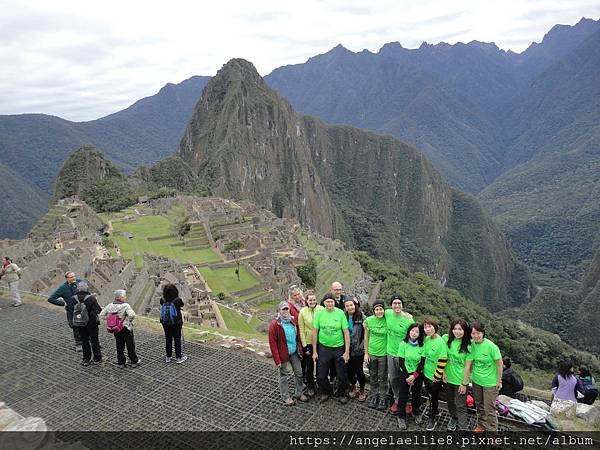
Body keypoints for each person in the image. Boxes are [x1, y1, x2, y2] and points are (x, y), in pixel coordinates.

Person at [460, 322, 502, 432]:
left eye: (478, 333)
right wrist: (464, 382)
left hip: (490, 383)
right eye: (473, 334)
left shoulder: (491, 346)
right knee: (479, 405)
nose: (475, 336)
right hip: (476, 381)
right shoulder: (471, 346)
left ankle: (493, 431)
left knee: (489, 408)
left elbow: (499, 364)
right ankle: (481, 425)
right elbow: (468, 365)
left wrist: (499, 380)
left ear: (483, 333)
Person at [312, 293, 350, 403]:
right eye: (327, 301)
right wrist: (315, 351)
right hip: (324, 348)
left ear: (335, 303)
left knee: (342, 375)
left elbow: (346, 333)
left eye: (332, 301)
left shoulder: (340, 313)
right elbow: (315, 332)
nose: (329, 303)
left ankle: (341, 393)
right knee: (321, 375)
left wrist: (346, 352)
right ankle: (327, 391)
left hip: (339, 347)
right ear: (323, 303)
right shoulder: (319, 314)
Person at [268, 301, 307, 405]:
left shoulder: (293, 321)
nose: (285, 311)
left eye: (287, 309)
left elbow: (297, 336)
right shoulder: (275, 325)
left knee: (299, 373)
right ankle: (286, 397)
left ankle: (299, 393)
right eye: (283, 309)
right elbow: (273, 344)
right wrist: (277, 360)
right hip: (282, 354)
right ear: (279, 311)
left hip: (294, 351)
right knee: (283, 375)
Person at [385, 294, 414, 415]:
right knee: (393, 378)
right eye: (394, 303)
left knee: (405, 379)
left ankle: (407, 401)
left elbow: (414, 335)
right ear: (391, 305)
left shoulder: (408, 320)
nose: (397, 305)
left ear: (402, 305)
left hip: (404, 355)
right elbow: (376, 315)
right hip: (391, 352)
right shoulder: (387, 313)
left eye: (399, 303)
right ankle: (397, 400)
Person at [443, 319, 471, 431]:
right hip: (447, 378)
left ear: (465, 331)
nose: (457, 332)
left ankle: (463, 427)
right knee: (450, 401)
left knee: (461, 405)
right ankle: (453, 417)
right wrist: (443, 372)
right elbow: (442, 357)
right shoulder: (447, 339)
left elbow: (468, 366)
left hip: (460, 380)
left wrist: (464, 383)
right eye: (455, 329)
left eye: (460, 329)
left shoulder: (468, 346)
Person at [99, 289, 139, 368]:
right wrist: (127, 320)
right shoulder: (125, 305)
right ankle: (134, 361)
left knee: (119, 345)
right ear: (121, 297)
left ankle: (121, 362)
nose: (125, 298)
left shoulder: (110, 305)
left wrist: (111, 320)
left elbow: (102, 315)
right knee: (130, 345)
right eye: (124, 296)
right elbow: (132, 315)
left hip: (116, 328)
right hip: (125, 328)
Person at [396, 323, 425, 430]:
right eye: (412, 331)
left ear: (420, 334)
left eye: (417, 332)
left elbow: (422, 362)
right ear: (409, 331)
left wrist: (414, 375)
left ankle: (416, 412)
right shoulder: (403, 344)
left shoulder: (422, 345)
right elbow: (401, 362)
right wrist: (408, 376)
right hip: (405, 374)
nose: (414, 333)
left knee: (417, 395)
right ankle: (401, 416)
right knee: (403, 395)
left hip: (417, 374)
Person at [421, 317, 448, 431]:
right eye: (426, 327)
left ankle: (432, 417)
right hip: (426, 373)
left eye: (430, 326)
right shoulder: (427, 339)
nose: (428, 329)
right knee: (431, 395)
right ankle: (434, 411)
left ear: (435, 327)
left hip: (434, 376)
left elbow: (443, 360)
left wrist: (436, 377)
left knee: (434, 396)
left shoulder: (441, 342)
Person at [47, 271, 83, 351]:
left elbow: (87, 291)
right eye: (71, 277)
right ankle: (78, 343)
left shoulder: (80, 282)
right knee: (75, 326)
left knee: (87, 325)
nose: (74, 278)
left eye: (74, 276)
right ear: (67, 279)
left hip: (83, 308)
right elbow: (51, 299)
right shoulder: (63, 288)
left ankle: (91, 341)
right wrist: (63, 304)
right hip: (72, 310)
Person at [298, 290, 324, 397]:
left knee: (320, 365)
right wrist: (304, 346)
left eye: (314, 299)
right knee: (309, 366)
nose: (312, 301)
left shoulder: (321, 309)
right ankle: (310, 386)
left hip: (321, 341)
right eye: (310, 300)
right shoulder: (302, 312)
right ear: (306, 301)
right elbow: (301, 329)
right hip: (308, 343)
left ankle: (320, 384)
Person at [364, 299, 387, 410]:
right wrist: (366, 354)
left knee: (382, 377)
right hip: (372, 353)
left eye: (381, 309)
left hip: (383, 354)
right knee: (373, 376)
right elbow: (366, 337)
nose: (379, 311)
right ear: (374, 311)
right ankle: (373, 396)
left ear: (384, 310)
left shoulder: (388, 320)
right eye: (377, 309)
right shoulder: (369, 320)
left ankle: (382, 397)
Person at [71, 281, 102, 366]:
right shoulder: (91, 298)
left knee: (84, 341)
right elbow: (98, 310)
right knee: (94, 341)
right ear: (86, 288)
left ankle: (86, 359)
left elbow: (71, 310)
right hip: (92, 324)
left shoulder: (73, 298)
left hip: (80, 323)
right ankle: (97, 359)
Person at [344, 297, 366, 401]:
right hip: (347, 349)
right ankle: (353, 386)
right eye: (347, 306)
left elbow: (366, 333)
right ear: (345, 307)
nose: (350, 307)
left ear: (355, 305)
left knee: (359, 371)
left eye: (351, 305)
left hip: (358, 349)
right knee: (350, 370)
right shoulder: (343, 317)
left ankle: (362, 389)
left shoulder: (361, 317)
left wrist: (362, 346)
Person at [159, 283, 187, 364]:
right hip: (176, 322)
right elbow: (182, 305)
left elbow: (162, 305)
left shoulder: (162, 300)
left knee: (168, 338)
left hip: (166, 323)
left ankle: (168, 357)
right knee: (177, 339)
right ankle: (178, 357)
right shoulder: (177, 300)